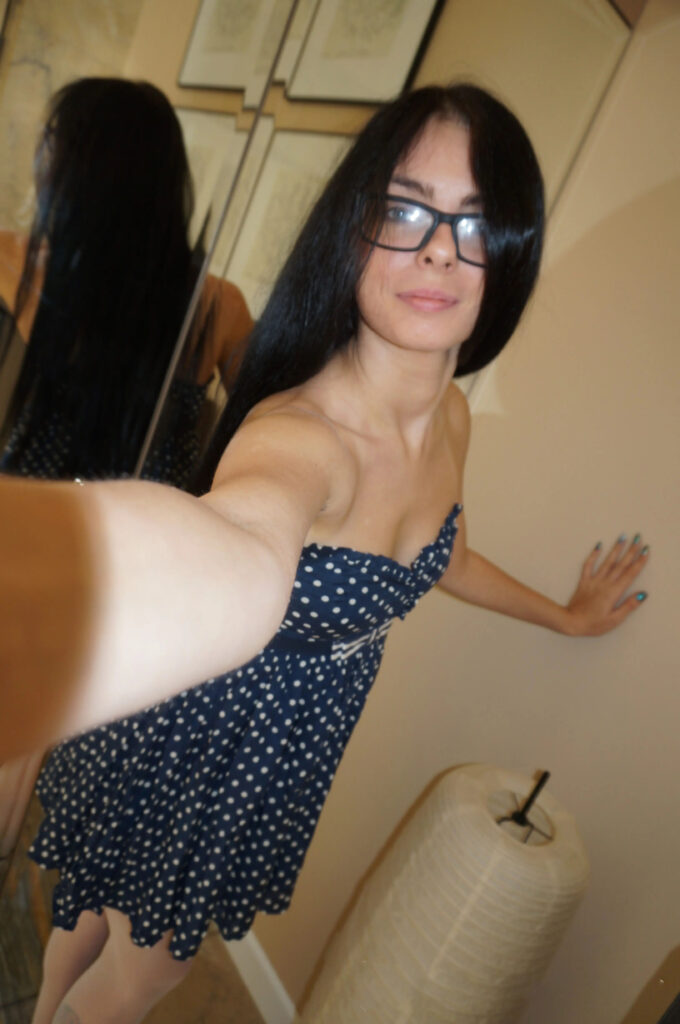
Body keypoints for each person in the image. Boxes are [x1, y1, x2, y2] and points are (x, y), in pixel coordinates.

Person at [0, 83, 648, 1023]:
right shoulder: (302, 437)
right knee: (147, 972)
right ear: (353, 232)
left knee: (99, 911)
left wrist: (566, 616)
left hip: (278, 751)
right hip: (199, 733)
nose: (439, 250)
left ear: (510, 257)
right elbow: (243, 542)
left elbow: (444, 556)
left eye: (473, 223)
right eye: (405, 210)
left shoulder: (451, 417)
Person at [0, 77, 253, 488]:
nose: (42, 160)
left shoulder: (215, 304)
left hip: (57, 516)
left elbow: (272, 421)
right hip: (122, 523)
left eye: (53, 141)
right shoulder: (215, 303)